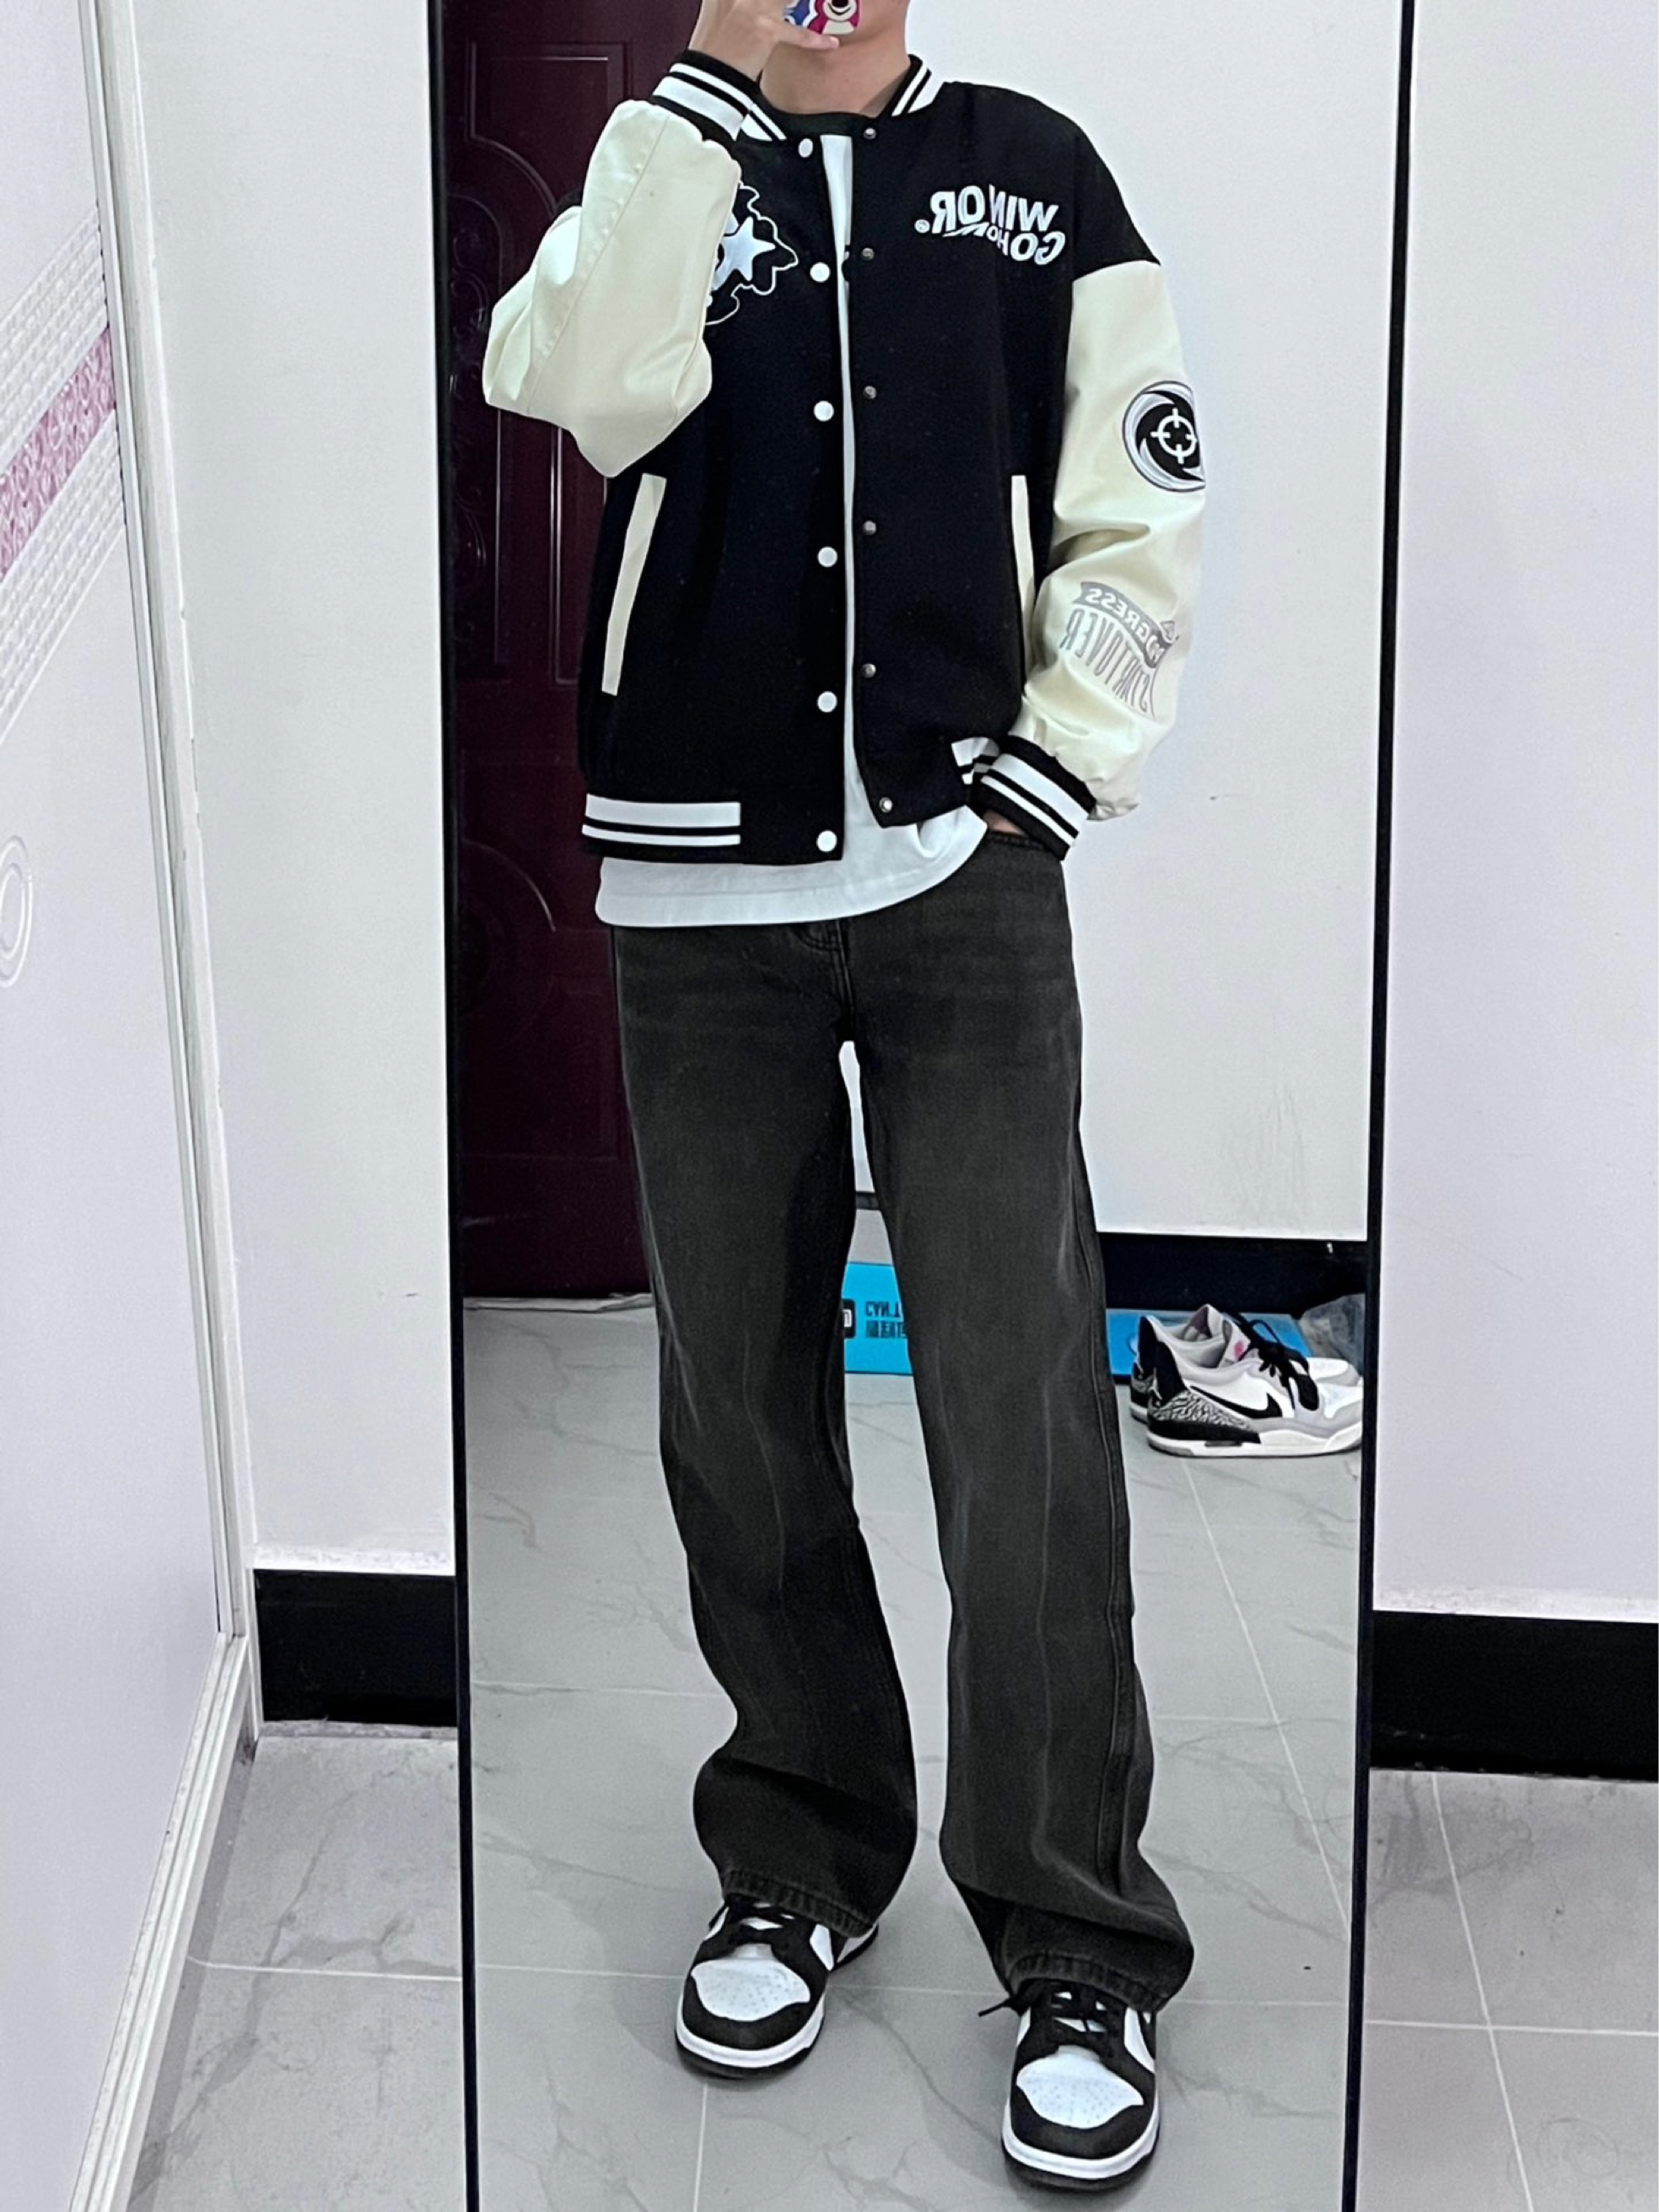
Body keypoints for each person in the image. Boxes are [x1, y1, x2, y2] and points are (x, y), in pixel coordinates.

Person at [481, 0, 1204, 2187]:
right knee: (740, 1401)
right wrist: (702, 95)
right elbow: (573, 379)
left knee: (1024, 1409)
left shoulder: (1033, 172)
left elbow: (1140, 497)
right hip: (698, 898)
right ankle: (797, 1850)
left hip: (965, 883)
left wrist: (1057, 769)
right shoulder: (661, 159)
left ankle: (1072, 1926)